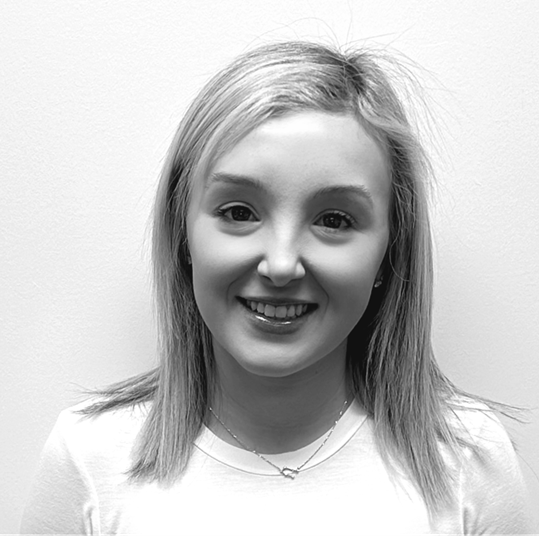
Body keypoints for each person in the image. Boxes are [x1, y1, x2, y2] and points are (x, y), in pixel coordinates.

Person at [21, 41, 533, 534]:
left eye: (334, 220)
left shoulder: (469, 459)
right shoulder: (89, 457)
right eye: (239, 212)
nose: (282, 264)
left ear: (389, 253)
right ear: (182, 232)